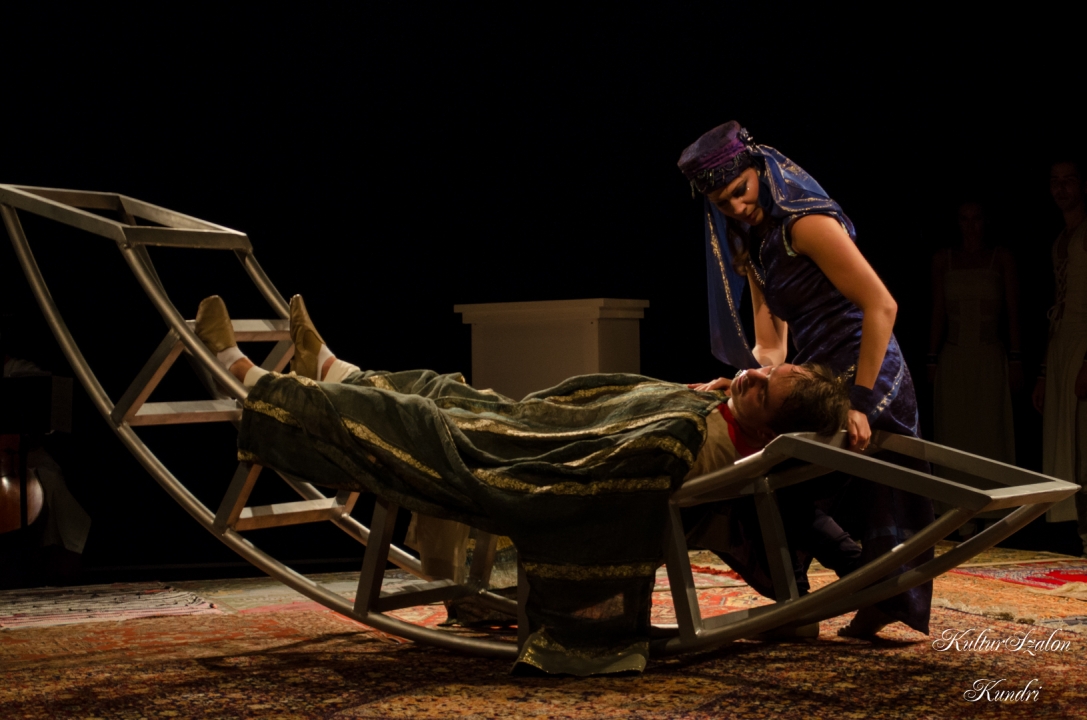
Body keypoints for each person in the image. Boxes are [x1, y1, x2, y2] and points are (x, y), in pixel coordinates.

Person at [194, 294, 850, 675]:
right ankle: (333, 369)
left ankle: (248, 378)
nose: (752, 375)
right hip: (535, 431)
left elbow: (619, 464)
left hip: (531, 462)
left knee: (418, 422)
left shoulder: (702, 438)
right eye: (768, 372)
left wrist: (685, 404)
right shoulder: (727, 413)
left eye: (763, 390)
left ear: (769, 425)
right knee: (447, 390)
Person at [677, 121, 934, 639]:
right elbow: (771, 346)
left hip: (866, 371)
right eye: (723, 203)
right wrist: (740, 381)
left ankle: (860, 592)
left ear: (758, 169)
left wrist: (859, 400)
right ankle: (808, 597)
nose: (737, 207)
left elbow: (882, 305)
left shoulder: (805, 225)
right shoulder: (753, 245)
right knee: (764, 478)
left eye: (741, 191)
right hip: (813, 377)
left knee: (842, 489)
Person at [928, 202, 1020, 487]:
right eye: (964, 219)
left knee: (990, 431)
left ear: (986, 221)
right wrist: (931, 357)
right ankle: (956, 504)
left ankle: (995, 503)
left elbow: (1013, 310)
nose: (970, 226)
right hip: (954, 357)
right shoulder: (943, 259)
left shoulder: (1000, 257)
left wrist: (1016, 358)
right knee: (955, 431)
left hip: (989, 355)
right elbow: (938, 310)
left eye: (976, 218)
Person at [1032, 159, 1087, 555]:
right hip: (1062, 345)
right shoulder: (1060, 239)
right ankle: (1083, 538)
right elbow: (1058, 301)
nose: (1061, 188)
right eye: (1055, 181)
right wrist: (1043, 372)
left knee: (1085, 444)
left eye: (1069, 181)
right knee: (1069, 448)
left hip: (1084, 343)